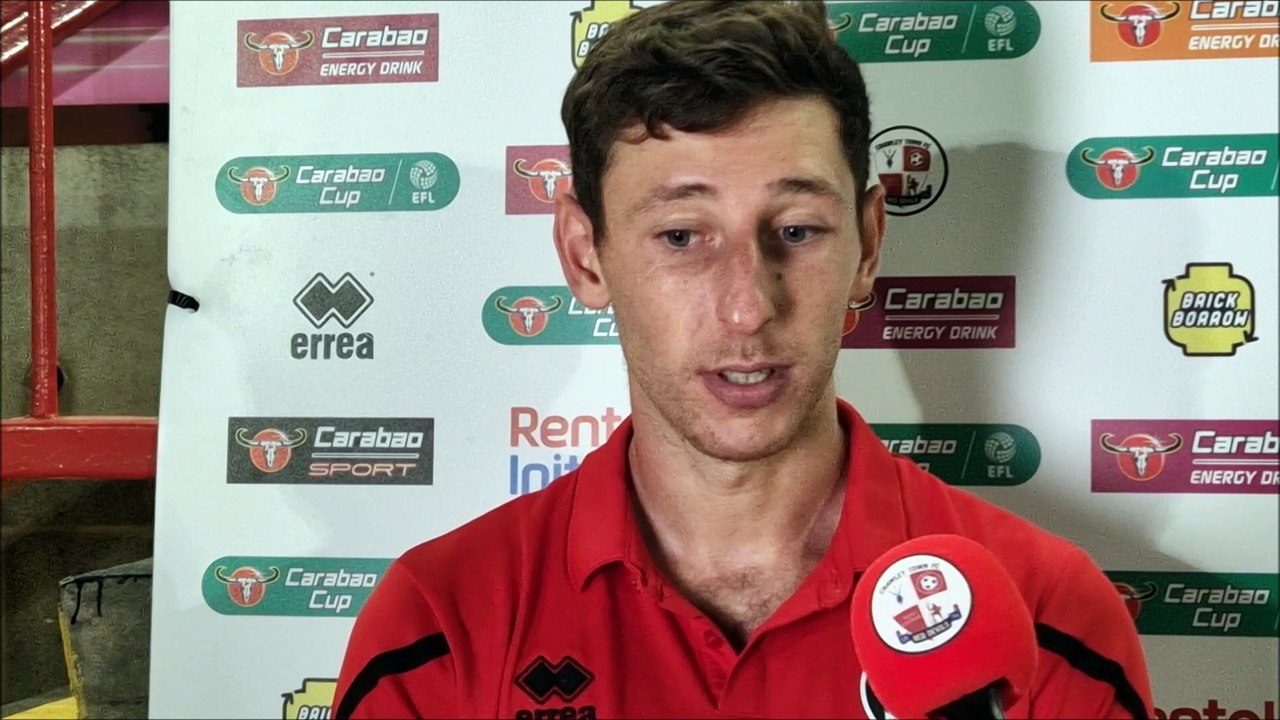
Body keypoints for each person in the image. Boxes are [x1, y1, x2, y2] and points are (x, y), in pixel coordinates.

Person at [334, 2, 1154, 718]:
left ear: (868, 245)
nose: (747, 306)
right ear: (585, 255)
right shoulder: (438, 629)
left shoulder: (1046, 614)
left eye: (796, 230)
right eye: (682, 237)